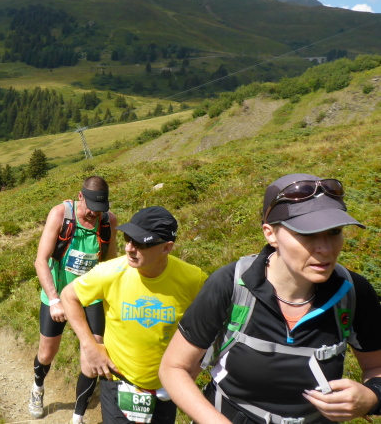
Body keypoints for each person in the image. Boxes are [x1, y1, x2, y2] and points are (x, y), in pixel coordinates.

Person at [159, 174, 381, 424]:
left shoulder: (354, 292)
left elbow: (375, 367)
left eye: (334, 232)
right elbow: (174, 368)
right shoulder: (230, 284)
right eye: (307, 234)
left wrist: (372, 397)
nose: (326, 249)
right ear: (270, 234)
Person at [62, 206, 207, 424]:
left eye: (140, 243)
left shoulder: (193, 280)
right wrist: (89, 345)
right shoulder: (109, 272)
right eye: (128, 238)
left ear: (166, 247)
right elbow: (68, 296)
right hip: (118, 380)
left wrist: (196, 364)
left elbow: (213, 324)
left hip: (167, 386)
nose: (129, 248)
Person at [29, 175, 118, 423]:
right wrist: (54, 299)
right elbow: (41, 261)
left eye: (100, 209)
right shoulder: (60, 214)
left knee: (92, 358)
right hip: (57, 294)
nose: (94, 214)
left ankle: (77, 418)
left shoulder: (108, 221)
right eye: (91, 207)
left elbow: (110, 263)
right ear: (80, 196)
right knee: (46, 354)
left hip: (91, 298)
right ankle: (38, 387)